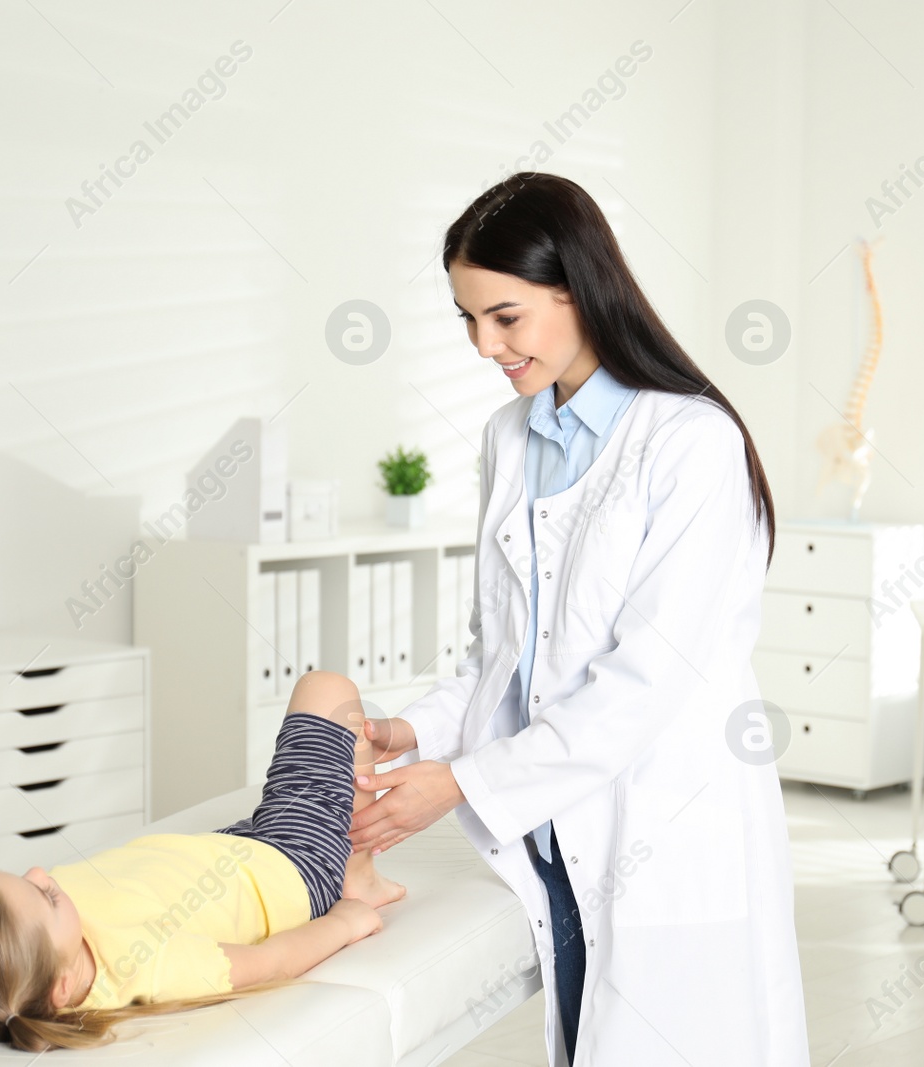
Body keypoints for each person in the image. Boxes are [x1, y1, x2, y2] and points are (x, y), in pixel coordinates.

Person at [350, 172, 810, 1065]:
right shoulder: (510, 438)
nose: (485, 345)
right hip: (557, 831)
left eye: (506, 316)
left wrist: (461, 784)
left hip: (662, 823)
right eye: (468, 319)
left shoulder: (689, 443)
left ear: (579, 286)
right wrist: (416, 728)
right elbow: (507, 658)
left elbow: (642, 687)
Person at [0, 671, 402, 1052]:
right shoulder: (146, 965)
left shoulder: (29, 954)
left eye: (25, 878)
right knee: (328, 692)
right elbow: (272, 963)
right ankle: (358, 875)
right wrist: (343, 922)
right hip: (292, 867)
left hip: (228, 851)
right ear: (63, 986)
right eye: (45, 897)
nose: (42, 875)